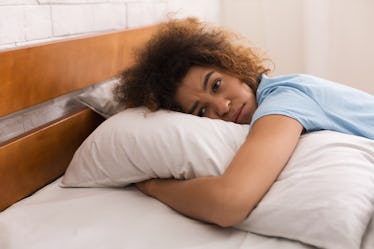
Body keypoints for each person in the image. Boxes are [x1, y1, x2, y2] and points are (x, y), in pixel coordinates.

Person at [114, 18, 374, 227]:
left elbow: (229, 204)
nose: (222, 106)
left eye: (216, 85)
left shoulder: (282, 103)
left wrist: (153, 186)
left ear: (233, 67)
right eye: (202, 111)